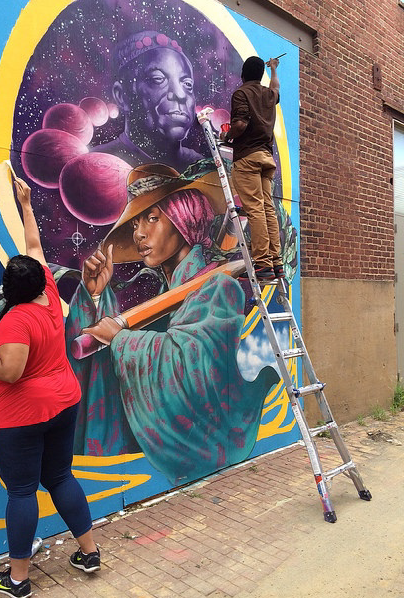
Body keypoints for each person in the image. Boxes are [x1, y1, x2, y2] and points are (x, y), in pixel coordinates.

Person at [66, 163, 279, 484]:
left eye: (152, 218)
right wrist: (95, 297)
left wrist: (121, 340)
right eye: (135, 223)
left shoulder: (217, 287)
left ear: (184, 218)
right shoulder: (166, 295)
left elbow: (193, 368)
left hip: (214, 444)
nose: (139, 233)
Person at [0, 177, 100, 598]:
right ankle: (89, 553)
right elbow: (34, 246)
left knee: (21, 491)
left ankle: (17, 580)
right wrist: (27, 205)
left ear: (8, 291)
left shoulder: (15, 320)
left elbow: (10, 372)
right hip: (63, 401)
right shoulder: (47, 291)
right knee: (60, 476)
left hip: (22, 416)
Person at [91, 31, 205, 172]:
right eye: (158, 79)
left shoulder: (200, 166)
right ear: (121, 95)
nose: (180, 94)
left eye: (187, 84)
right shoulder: (96, 165)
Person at [221, 55, 284, 282]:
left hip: (248, 157)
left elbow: (240, 124)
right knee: (267, 209)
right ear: (260, 75)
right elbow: (275, 87)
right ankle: (276, 262)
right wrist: (274, 69)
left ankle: (263, 265)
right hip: (266, 159)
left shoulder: (241, 93)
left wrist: (227, 136)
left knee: (256, 210)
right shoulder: (269, 94)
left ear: (243, 75)